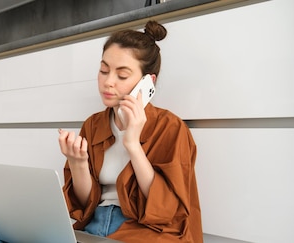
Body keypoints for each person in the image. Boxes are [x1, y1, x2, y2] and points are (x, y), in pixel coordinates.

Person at [57, 20, 202, 242]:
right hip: (95, 223)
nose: (108, 82)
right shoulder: (93, 125)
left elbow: (166, 211)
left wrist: (133, 145)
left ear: (148, 82)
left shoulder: (170, 127)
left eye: (122, 75)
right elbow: (85, 205)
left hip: (146, 230)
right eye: (103, 71)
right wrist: (77, 164)